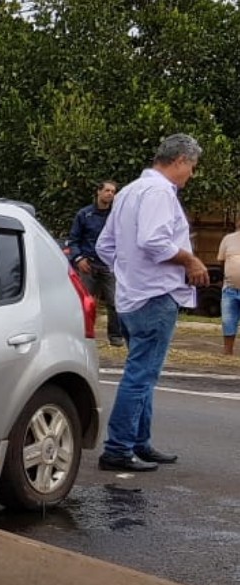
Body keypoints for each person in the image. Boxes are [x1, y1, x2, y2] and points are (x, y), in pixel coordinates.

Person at [96, 133, 210, 472]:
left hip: (132, 295)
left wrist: (128, 272)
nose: (192, 174)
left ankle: (139, 443)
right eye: (192, 167)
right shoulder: (160, 192)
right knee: (141, 375)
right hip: (155, 295)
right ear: (180, 161)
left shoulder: (129, 190)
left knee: (141, 371)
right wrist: (191, 260)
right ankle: (117, 448)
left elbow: (105, 246)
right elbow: (153, 241)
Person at [67, 181, 124, 346]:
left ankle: (115, 336)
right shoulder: (84, 215)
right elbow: (74, 240)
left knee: (114, 302)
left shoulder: (116, 216)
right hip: (88, 265)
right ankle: (84, 333)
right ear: (98, 192)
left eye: (113, 192)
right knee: (84, 302)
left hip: (109, 265)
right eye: (107, 190)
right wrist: (79, 259)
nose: (110, 194)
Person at [217, 217, 240, 355]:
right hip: (229, 289)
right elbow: (221, 261)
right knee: (228, 321)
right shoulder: (228, 239)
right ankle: (227, 352)